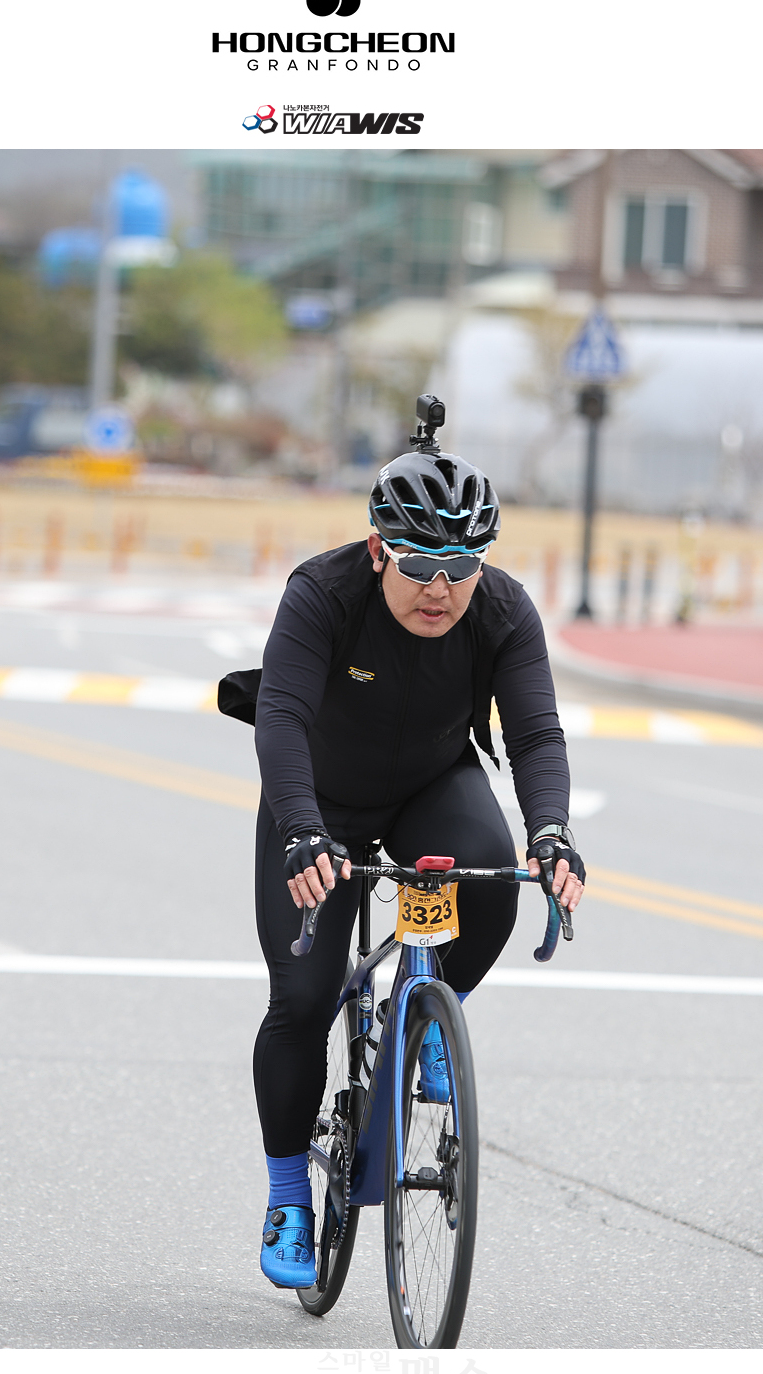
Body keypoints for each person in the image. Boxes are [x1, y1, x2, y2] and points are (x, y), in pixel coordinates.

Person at [234, 397, 585, 1289]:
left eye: (461, 567)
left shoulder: (502, 611)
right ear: (378, 549)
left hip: (431, 785)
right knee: (303, 1000)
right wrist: (300, 831)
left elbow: (536, 734)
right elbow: (281, 716)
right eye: (421, 565)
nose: (441, 589)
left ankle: (427, 1011)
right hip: (321, 801)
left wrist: (551, 833)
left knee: (492, 881)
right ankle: (287, 1195)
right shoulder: (322, 594)